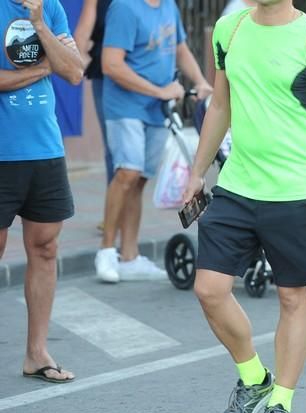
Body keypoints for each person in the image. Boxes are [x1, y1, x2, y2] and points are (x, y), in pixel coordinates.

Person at [184, 0, 306, 413]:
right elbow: (221, 105)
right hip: (238, 184)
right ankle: (254, 377)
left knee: (292, 297)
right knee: (209, 288)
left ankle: (281, 403)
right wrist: (196, 172)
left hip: (296, 188)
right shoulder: (228, 29)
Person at [94, 0, 213, 284]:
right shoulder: (125, 7)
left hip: (156, 109)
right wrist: (159, 91)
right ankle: (107, 251)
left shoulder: (167, 5)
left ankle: (130, 257)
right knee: (127, 173)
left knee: (140, 180)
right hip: (126, 107)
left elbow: (180, 48)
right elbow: (110, 64)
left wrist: (200, 80)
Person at [0, 0, 84, 382]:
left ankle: (36, 354)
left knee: (46, 249)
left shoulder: (50, 9)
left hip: (46, 149)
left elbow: (74, 72)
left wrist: (38, 23)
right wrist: (49, 63)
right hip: (3, 152)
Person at [74, 0, 113, 186]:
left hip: (145, 76)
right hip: (108, 78)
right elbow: (81, 36)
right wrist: (81, 62)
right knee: (116, 152)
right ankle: (115, 214)